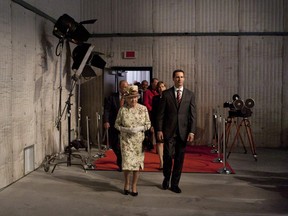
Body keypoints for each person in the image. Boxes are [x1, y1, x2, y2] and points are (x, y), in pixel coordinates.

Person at [156, 69, 196, 193]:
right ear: (173, 79)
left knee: (179, 159)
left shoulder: (190, 94)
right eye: (177, 77)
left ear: (184, 79)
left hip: (183, 132)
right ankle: (166, 178)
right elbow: (160, 114)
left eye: (182, 77)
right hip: (169, 131)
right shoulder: (166, 94)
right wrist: (159, 130)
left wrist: (192, 131)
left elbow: (193, 115)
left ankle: (175, 184)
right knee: (167, 156)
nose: (179, 79)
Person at [114, 85, 151, 196]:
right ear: (126, 98)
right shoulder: (123, 110)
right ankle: (126, 183)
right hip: (126, 141)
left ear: (138, 97)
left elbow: (148, 124)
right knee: (127, 164)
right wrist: (124, 129)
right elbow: (116, 124)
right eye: (131, 98)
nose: (133, 100)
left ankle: (134, 185)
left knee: (136, 164)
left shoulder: (143, 109)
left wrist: (140, 128)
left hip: (138, 141)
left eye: (135, 97)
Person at [103, 80, 129, 171]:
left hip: (126, 125)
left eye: (127, 87)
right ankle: (120, 157)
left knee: (124, 145)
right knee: (114, 144)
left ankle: (122, 163)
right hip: (114, 123)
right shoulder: (112, 97)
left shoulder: (131, 97)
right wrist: (106, 121)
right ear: (119, 88)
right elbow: (107, 110)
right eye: (123, 87)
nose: (125, 89)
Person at [151, 81, 167, 170]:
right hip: (158, 123)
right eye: (159, 87)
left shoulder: (170, 97)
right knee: (159, 143)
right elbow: (153, 113)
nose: (161, 88)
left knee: (167, 143)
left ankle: (166, 160)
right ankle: (161, 162)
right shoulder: (155, 98)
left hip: (168, 123)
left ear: (165, 87)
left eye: (162, 86)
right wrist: (152, 125)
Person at [143, 78, 159, 151]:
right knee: (149, 130)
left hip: (158, 114)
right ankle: (149, 145)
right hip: (150, 113)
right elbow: (145, 103)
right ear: (151, 83)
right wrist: (152, 110)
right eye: (155, 82)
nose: (156, 84)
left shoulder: (159, 92)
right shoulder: (147, 92)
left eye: (157, 82)